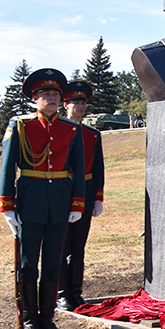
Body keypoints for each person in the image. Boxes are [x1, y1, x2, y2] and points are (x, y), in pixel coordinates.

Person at [0, 69, 85, 329]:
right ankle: (29, 321)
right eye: (45, 94)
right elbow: (7, 167)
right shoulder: (20, 126)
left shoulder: (71, 129)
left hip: (60, 202)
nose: (52, 98)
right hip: (30, 202)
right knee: (28, 265)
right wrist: (7, 205)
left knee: (52, 264)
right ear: (34, 98)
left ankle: (47, 319)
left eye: (56, 94)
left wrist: (77, 202)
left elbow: (79, 169)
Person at [57, 81, 105, 311]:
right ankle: (61, 293)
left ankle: (75, 292)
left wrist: (98, 198)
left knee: (78, 247)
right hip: (60, 192)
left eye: (83, 102)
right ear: (65, 105)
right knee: (61, 246)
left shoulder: (92, 134)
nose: (80, 106)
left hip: (84, 194)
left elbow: (98, 168)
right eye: (75, 102)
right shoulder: (57, 130)